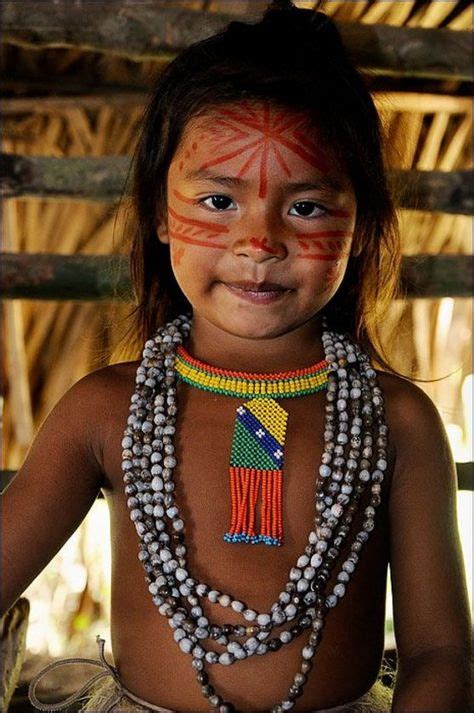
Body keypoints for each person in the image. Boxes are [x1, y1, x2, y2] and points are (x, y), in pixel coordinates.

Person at [2, 2, 471, 711]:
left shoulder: (396, 422)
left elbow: (440, 654)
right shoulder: (105, 410)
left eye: (306, 207)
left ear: (361, 221)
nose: (259, 242)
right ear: (160, 211)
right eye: (219, 198)